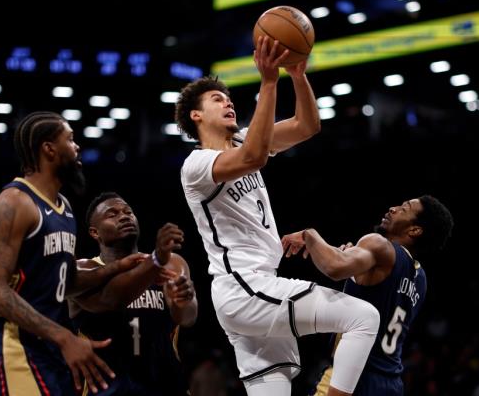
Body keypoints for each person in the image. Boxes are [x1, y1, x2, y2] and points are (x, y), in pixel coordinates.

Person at [176, 37, 380, 396]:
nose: (228, 102)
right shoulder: (196, 164)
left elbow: (306, 125)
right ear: (196, 115)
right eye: (216, 99)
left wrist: (297, 75)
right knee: (363, 317)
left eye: (228, 97)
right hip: (244, 287)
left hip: (253, 287)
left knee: (273, 387)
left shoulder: (241, 141)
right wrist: (268, 82)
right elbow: (255, 157)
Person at [0, 111, 146, 395]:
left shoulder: (64, 207)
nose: (77, 147)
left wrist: (116, 268)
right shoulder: (13, 203)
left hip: (44, 342)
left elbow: (65, 282)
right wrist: (65, 338)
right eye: (71, 139)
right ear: (49, 149)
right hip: (7, 338)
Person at [281, 195, 454, 395]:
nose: (393, 208)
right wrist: (349, 258)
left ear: (415, 230)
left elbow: (334, 267)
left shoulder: (379, 245)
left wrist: (308, 235)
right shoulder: (420, 279)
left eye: (404, 208)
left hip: (351, 378)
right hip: (390, 384)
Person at [69, 191, 198, 395]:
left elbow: (188, 318)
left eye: (128, 212)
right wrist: (153, 263)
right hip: (107, 390)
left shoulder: (172, 262)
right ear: (95, 233)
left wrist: (183, 300)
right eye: (112, 214)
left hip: (167, 387)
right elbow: (114, 297)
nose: (124, 216)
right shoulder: (83, 270)